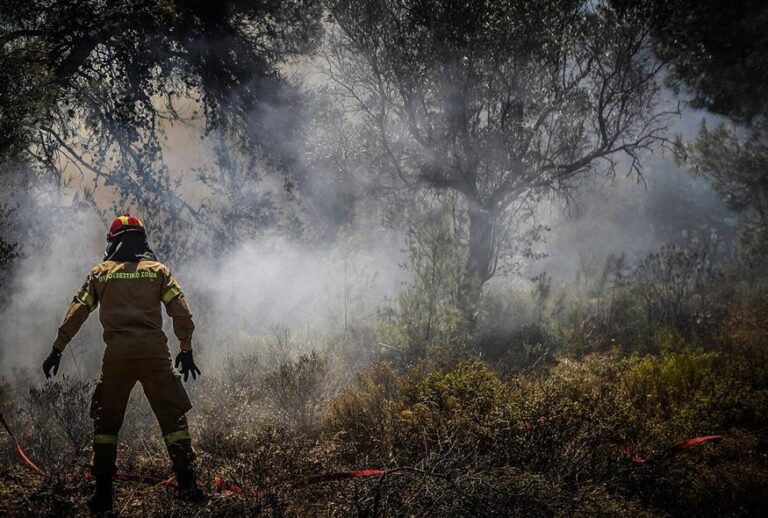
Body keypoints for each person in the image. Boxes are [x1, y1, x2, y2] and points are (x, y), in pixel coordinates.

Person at [42, 214, 203, 514]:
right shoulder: (158, 271)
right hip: (155, 356)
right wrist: (186, 348)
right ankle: (187, 484)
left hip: (117, 358)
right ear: (142, 241)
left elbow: (77, 312)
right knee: (173, 421)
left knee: (106, 424)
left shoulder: (101, 274)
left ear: (113, 243)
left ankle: (103, 495)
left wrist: (57, 348)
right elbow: (181, 312)